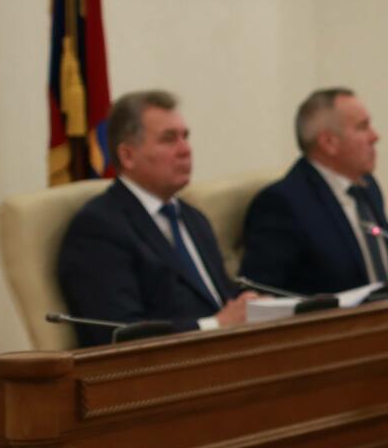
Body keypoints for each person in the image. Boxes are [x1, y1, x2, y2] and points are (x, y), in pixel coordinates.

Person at [57, 89, 253, 347]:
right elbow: (119, 333)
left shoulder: (193, 218)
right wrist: (215, 325)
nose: (185, 150)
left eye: (185, 137)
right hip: (164, 367)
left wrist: (254, 306)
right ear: (127, 155)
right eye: (169, 139)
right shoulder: (98, 229)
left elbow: (220, 300)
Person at [240, 88, 388, 296]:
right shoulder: (282, 204)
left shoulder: (367, 187)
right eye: (362, 127)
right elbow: (257, 296)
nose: (375, 136)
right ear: (329, 143)